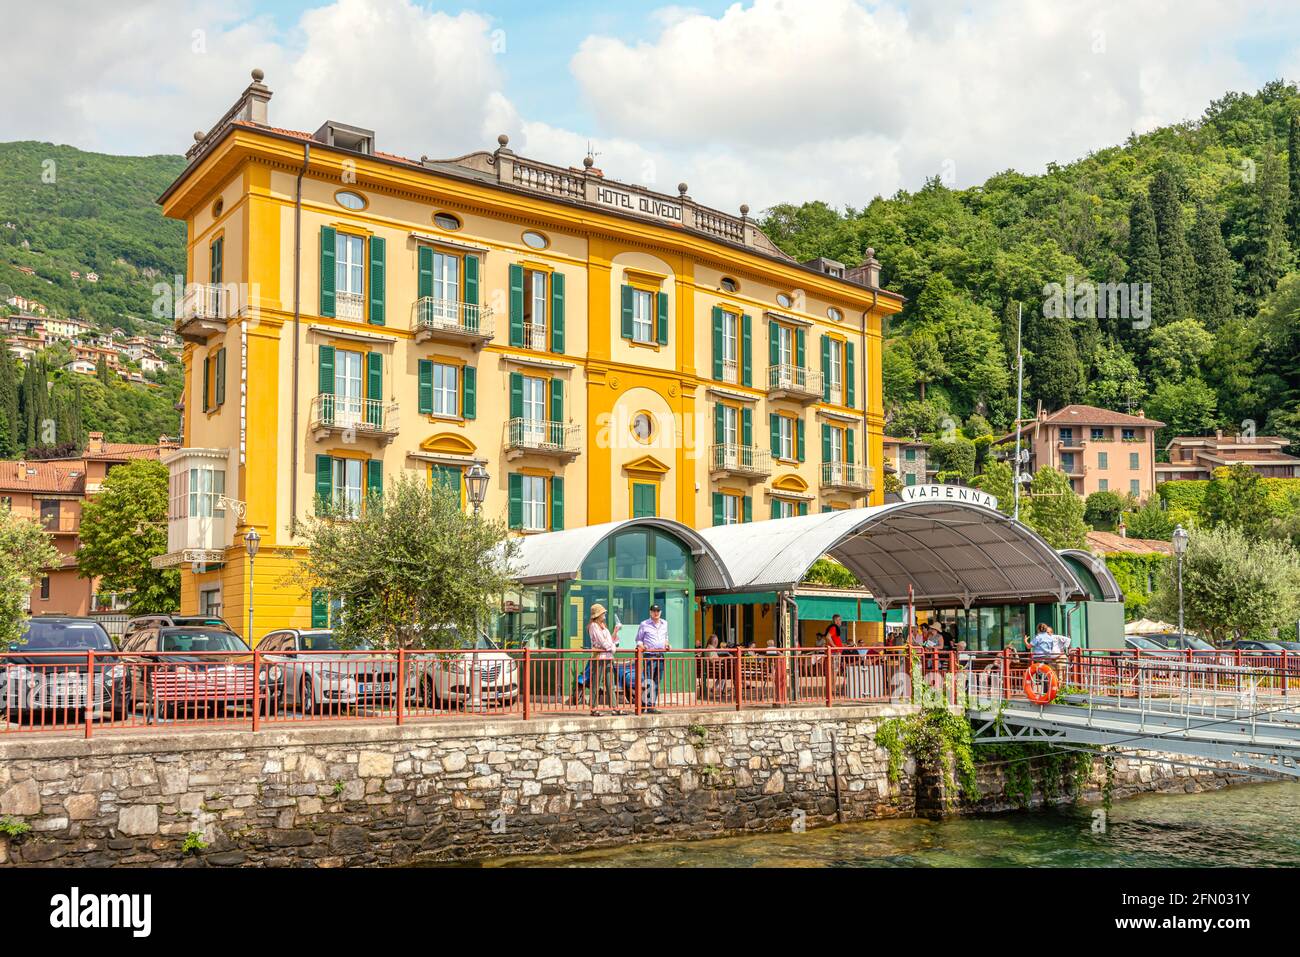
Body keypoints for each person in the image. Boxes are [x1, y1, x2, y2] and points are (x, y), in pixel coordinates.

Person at [587, 603, 621, 716]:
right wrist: (612, 648)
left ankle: (615, 707)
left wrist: (615, 632)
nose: (605, 614)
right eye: (603, 613)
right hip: (599, 657)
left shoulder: (603, 626)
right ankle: (593, 708)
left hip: (608, 656)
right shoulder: (593, 626)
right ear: (598, 614)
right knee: (596, 682)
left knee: (610, 683)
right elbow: (602, 641)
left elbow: (610, 641)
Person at [635, 604, 669, 713]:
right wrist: (642, 646)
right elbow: (638, 640)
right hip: (649, 655)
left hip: (660, 655)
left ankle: (649, 705)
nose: (656, 612)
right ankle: (649, 706)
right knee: (649, 682)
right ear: (650, 612)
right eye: (654, 610)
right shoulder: (644, 624)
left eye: (658, 610)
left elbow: (666, 638)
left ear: (661, 612)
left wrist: (667, 644)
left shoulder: (665, 623)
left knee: (657, 682)